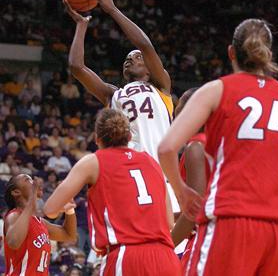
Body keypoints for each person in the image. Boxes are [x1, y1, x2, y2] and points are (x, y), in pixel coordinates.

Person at [158, 19, 278, 276]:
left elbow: (166, 148)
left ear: (231, 52)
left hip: (234, 220)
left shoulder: (217, 89)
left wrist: (181, 191)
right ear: (269, 53)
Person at [65, 0, 179, 212]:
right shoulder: (113, 94)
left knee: (171, 239)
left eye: (135, 57)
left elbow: (145, 45)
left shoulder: (160, 86)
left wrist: (113, 10)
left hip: (161, 172)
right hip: (129, 172)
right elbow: (76, 67)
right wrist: (81, 26)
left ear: (149, 67)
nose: (130, 59)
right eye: (127, 58)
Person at [44, 109, 182, 276]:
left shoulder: (93, 161)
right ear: (130, 137)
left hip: (127, 256)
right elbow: (169, 222)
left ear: (97, 139)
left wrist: (66, 208)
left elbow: (50, 209)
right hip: (166, 257)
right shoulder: (151, 161)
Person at [3, 174, 77, 275]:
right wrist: (32, 197)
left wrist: (69, 209)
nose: (34, 182)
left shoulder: (40, 222)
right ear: (16, 192)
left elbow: (69, 235)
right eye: (27, 180)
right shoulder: (14, 215)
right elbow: (14, 242)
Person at [171, 88, 209, 267]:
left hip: (206, 237)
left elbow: (196, 209)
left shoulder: (196, 146)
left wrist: (165, 246)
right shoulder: (214, 142)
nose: (174, 112)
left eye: (178, 107)